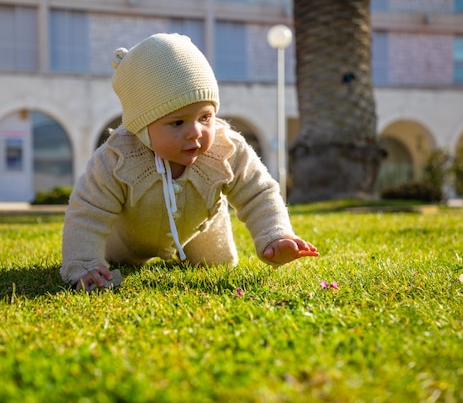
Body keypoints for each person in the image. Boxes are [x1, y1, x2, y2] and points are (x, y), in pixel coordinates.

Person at [61, 33, 319, 292]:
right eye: (177, 122)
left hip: (202, 229)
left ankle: (211, 251)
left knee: (216, 266)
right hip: (127, 239)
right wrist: (84, 264)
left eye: (205, 116)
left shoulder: (226, 149)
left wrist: (275, 235)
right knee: (115, 259)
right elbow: (88, 212)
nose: (195, 131)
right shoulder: (116, 159)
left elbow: (258, 193)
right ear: (141, 126)